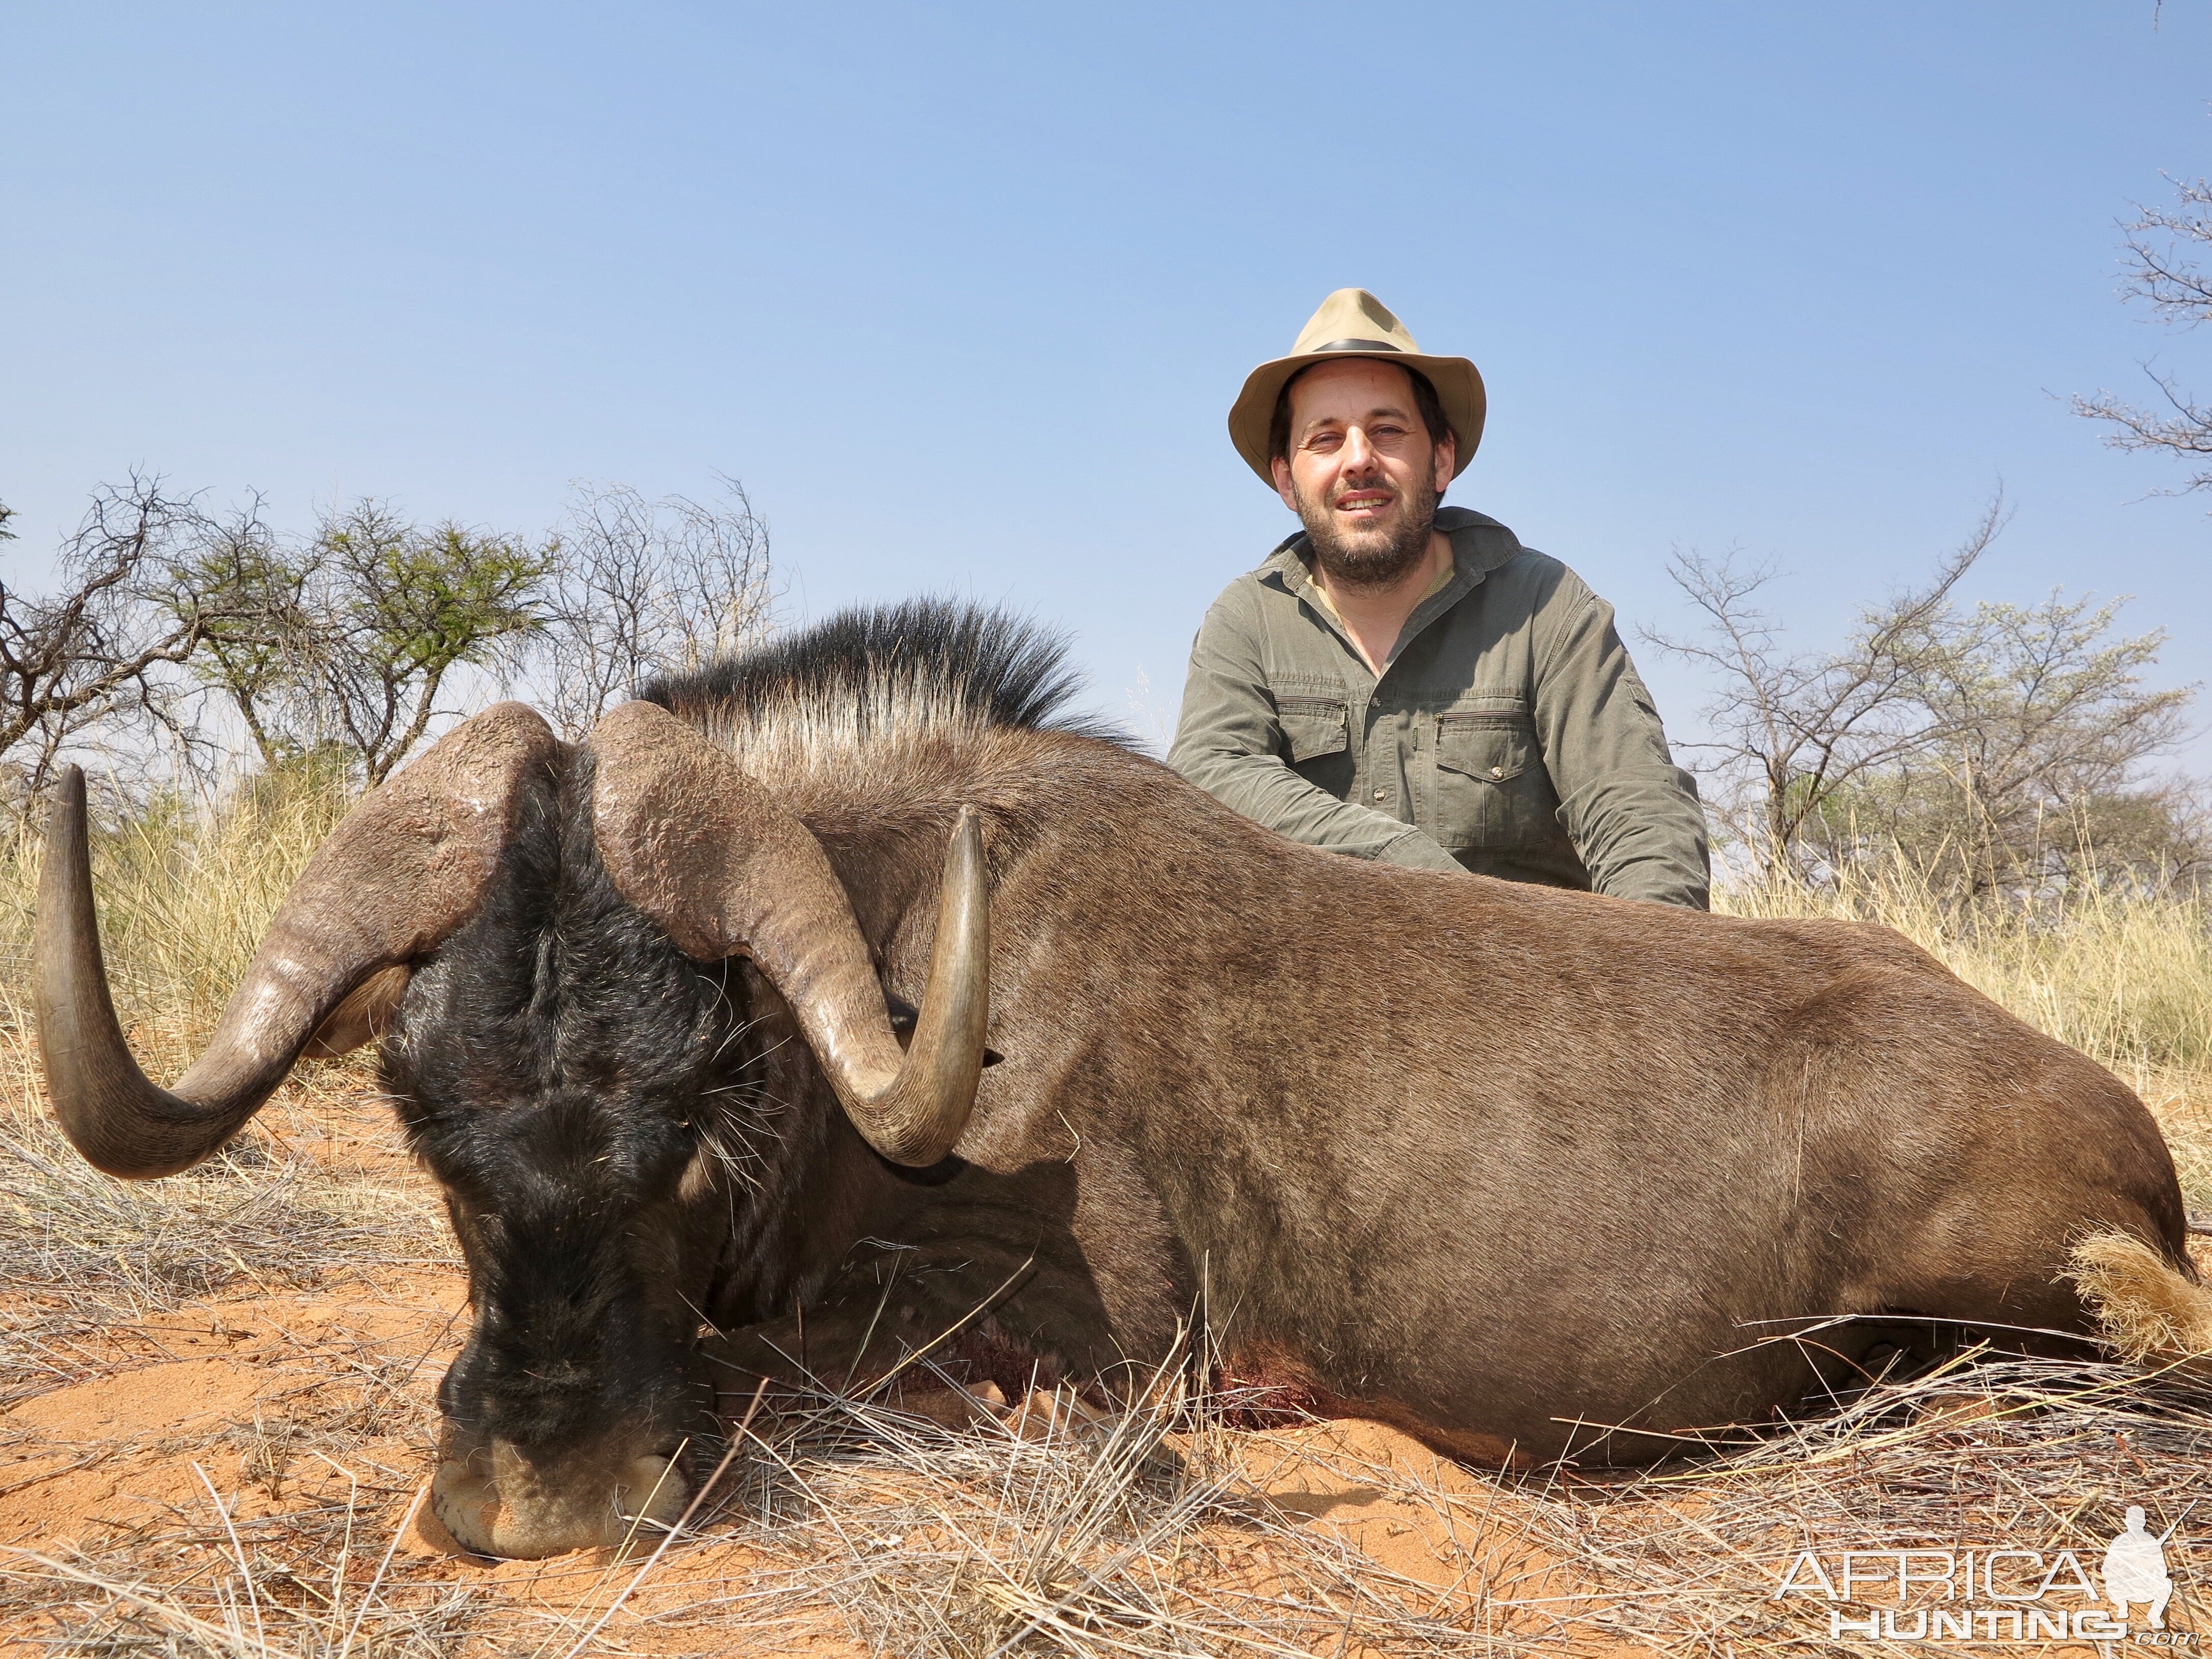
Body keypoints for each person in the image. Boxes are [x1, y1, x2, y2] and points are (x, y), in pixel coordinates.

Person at [1168, 288, 1710, 908]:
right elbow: (1209, 773)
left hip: (1531, 984)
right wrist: (1414, 873)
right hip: (1317, 990)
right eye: (1324, 439)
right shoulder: (1246, 620)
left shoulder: (1547, 606)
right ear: (1287, 481)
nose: (1358, 460)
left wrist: (1642, 974)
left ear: (1441, 459)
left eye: (1387, 430)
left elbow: (1637, 812)